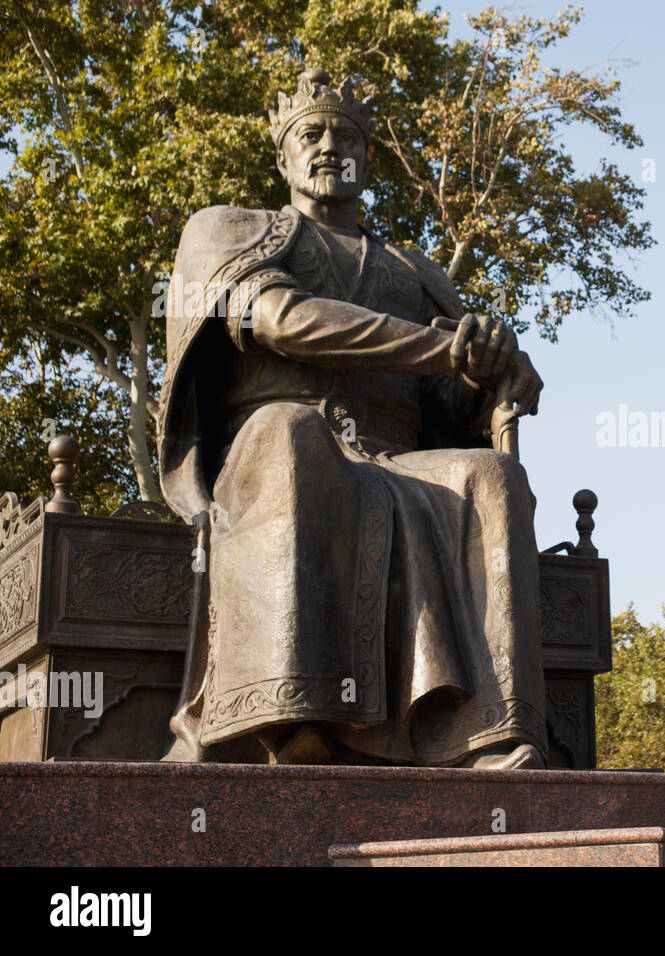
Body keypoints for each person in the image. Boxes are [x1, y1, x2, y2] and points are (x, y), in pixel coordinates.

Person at [157, 69, 548, 768]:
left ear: (368, 157)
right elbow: (284, 321)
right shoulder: (228, 231)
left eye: (347, 136)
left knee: (488, 475)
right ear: (282, 156)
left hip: (398, 461)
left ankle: (483, 733)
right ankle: (292, 717)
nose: (330, 146)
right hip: (273, 453)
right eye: (312, 133)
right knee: (293, 433)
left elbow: (450, 406)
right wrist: (443, 348)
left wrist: (490, 372)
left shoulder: (416, 272)